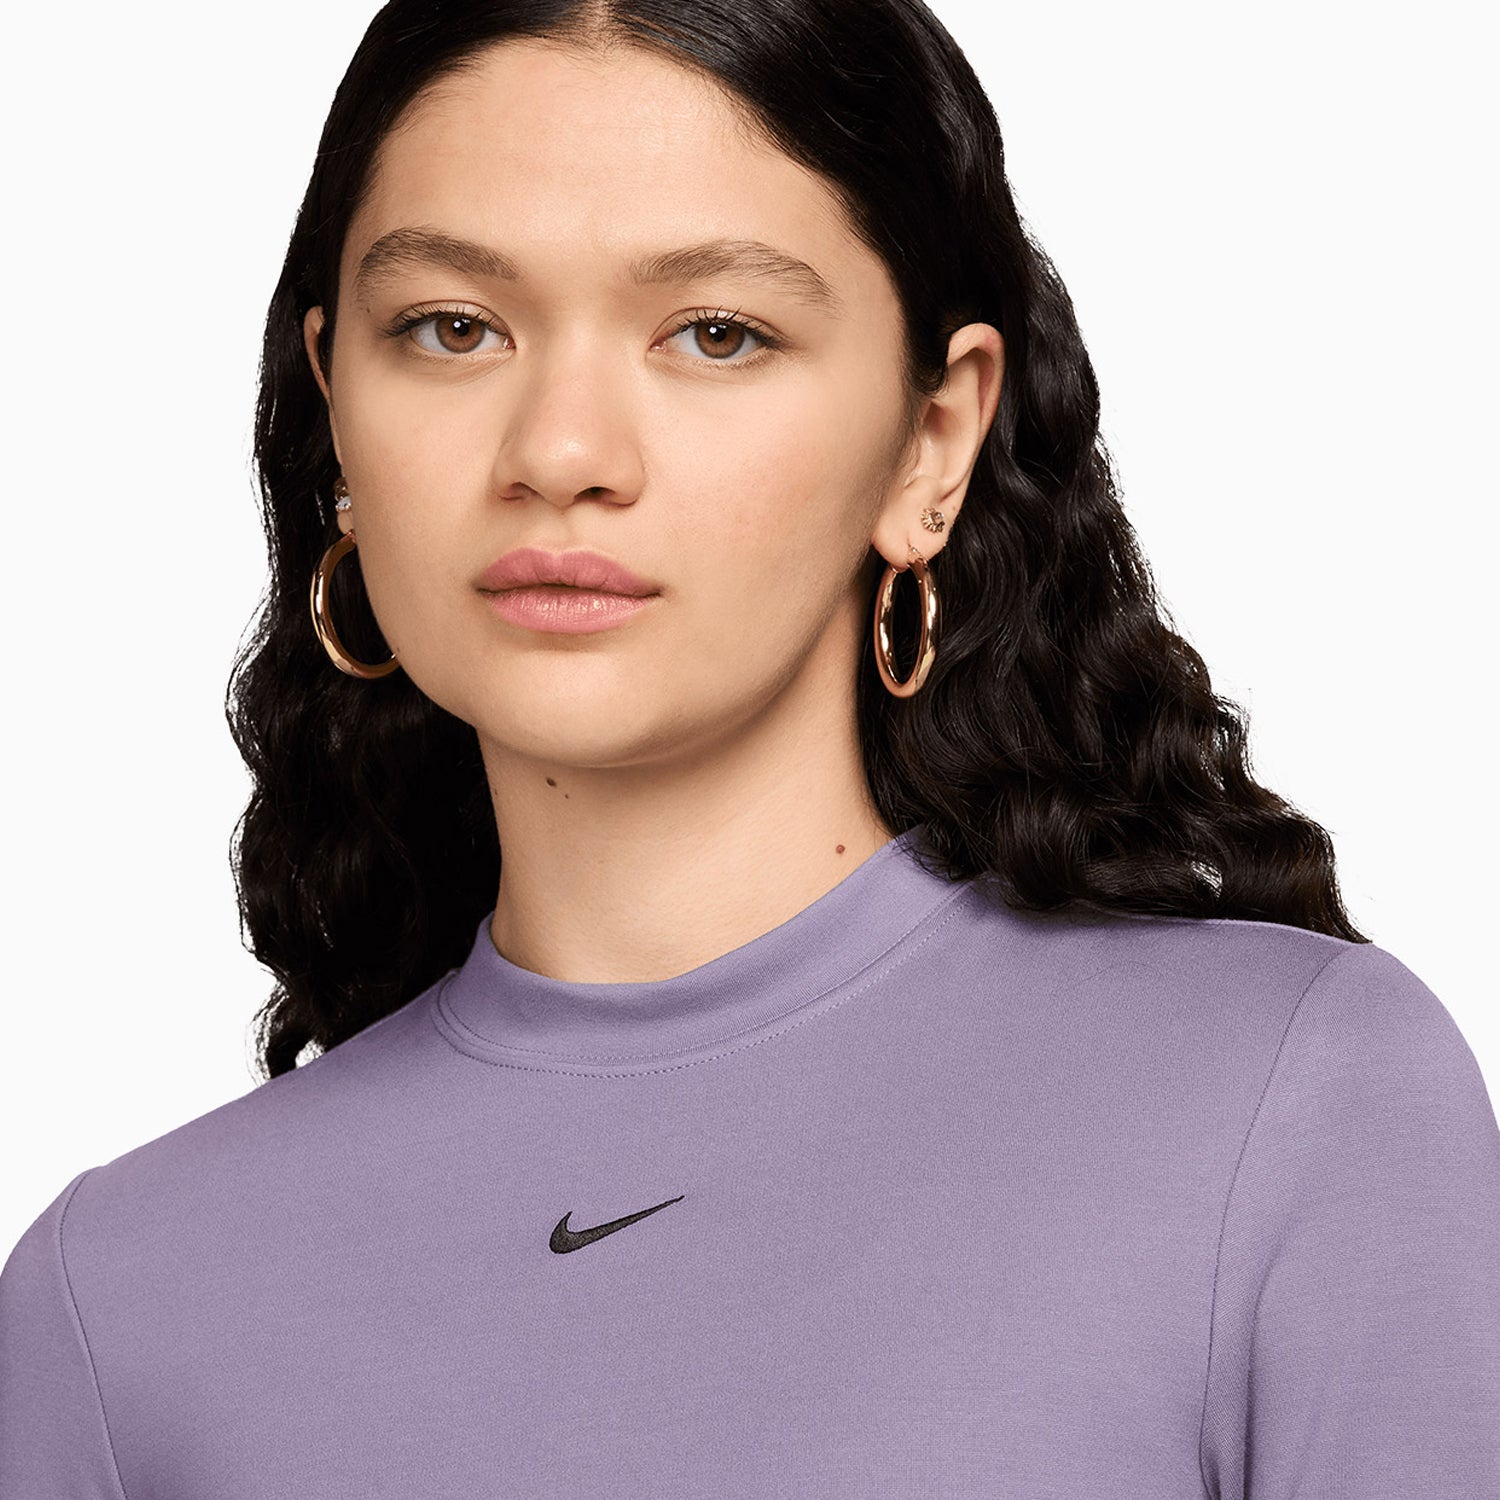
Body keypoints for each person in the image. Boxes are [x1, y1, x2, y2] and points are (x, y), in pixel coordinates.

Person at [3, 0, 1497, 1493]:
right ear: (338, 404)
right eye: (454, 328)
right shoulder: (114, 1304)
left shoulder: (1295, 1106)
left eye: (716, 334)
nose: (562, 453)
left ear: (933, 440)